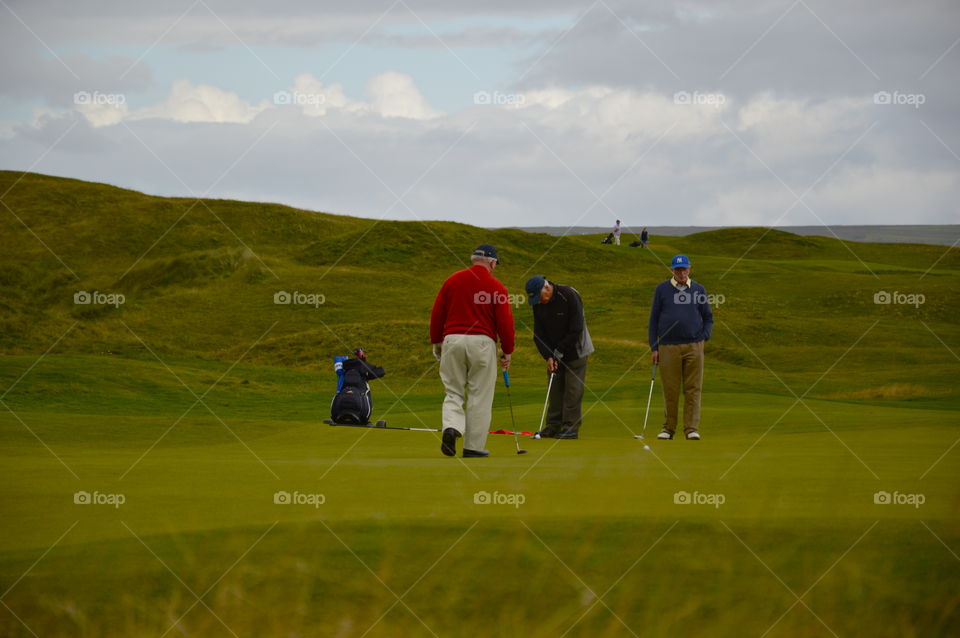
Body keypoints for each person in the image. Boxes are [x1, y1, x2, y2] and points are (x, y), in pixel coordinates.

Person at [430, 244, 515, 457]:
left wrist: (437, 341)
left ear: (473, 259)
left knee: (453, 391)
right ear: (492, 262)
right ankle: (473, 447)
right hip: (482, 343)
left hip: (452, 340)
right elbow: (505, 323)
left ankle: (452, 427)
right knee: (480, 396)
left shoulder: (452, 280)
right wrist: (507, 350)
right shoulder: (497, 287)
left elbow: (437, 313)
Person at [648, 254, 713, 440]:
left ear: (689, 269)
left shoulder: (699, 289)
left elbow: (708, 317)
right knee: (671, 388)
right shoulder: (662, 289)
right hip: (668, 347)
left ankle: (691, 428)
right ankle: (668, 429)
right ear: (672, 271)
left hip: (694, 346)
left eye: (684, 269)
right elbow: (653, 319)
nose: (681, 273)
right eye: (678, 270)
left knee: (693, 388)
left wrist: (704, 336)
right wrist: (654, 346)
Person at [525, 276, 594, 439]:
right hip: (554, 353)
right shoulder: (538, 303)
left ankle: (570, 427)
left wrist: (559, 351)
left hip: (576, 351)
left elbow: (576, 328)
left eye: (539, 297)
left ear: (547, 288)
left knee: (573, 391)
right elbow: (538, 334)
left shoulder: (568, 294)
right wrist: (548, 356)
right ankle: (553, 426)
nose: (539, 302)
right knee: (554, 390)